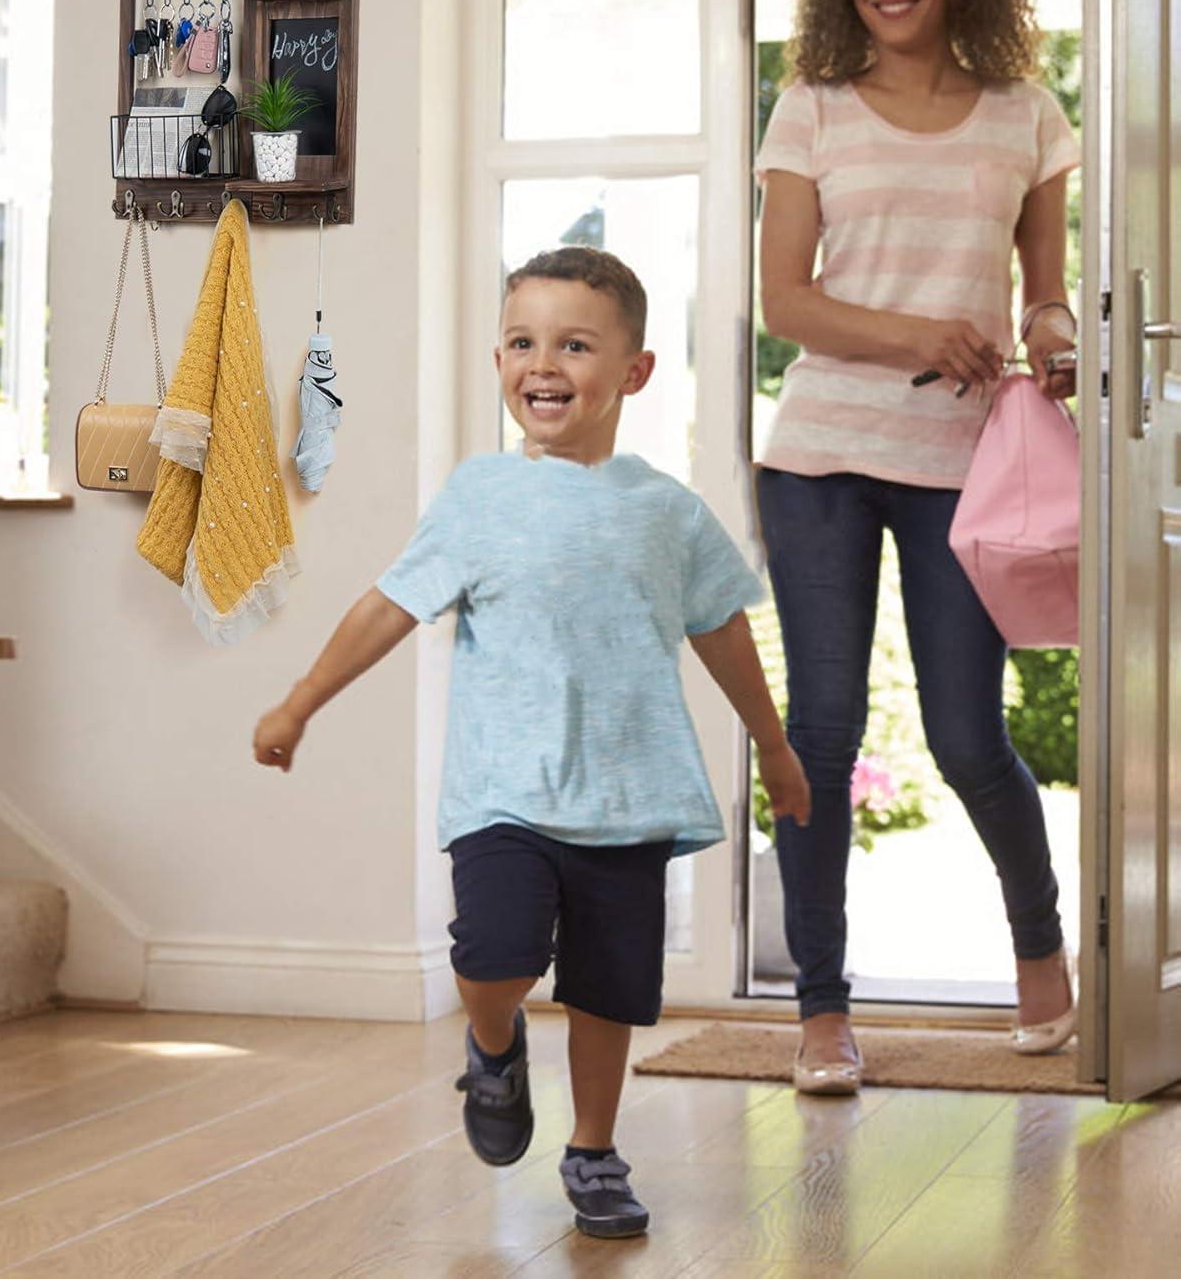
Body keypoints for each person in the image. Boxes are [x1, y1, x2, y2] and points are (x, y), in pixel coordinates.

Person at [254, 246, 809, 1238]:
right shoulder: (481, 495)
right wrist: (300, 701)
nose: (541, 364)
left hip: (627, 796)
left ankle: (594, 1150)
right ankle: (493, 1045)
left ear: (634, 371)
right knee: (496, 953)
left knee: (609, 991)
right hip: (505, 792)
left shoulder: (668, 513)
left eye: (573, 345)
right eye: (521, 342)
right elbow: (389, 606)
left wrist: (772, 746)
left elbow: (723, 626)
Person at [754, 0, 1080, 1095]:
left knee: (966, 736)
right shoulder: (812, 109)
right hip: (823, 456)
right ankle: (823, 1015)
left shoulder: (1027, 114)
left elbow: (1042, 283)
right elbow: (786, 302)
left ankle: (1042, 955)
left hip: (963, 467)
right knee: (822, 732)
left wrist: (1047, 337)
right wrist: (921, 335)